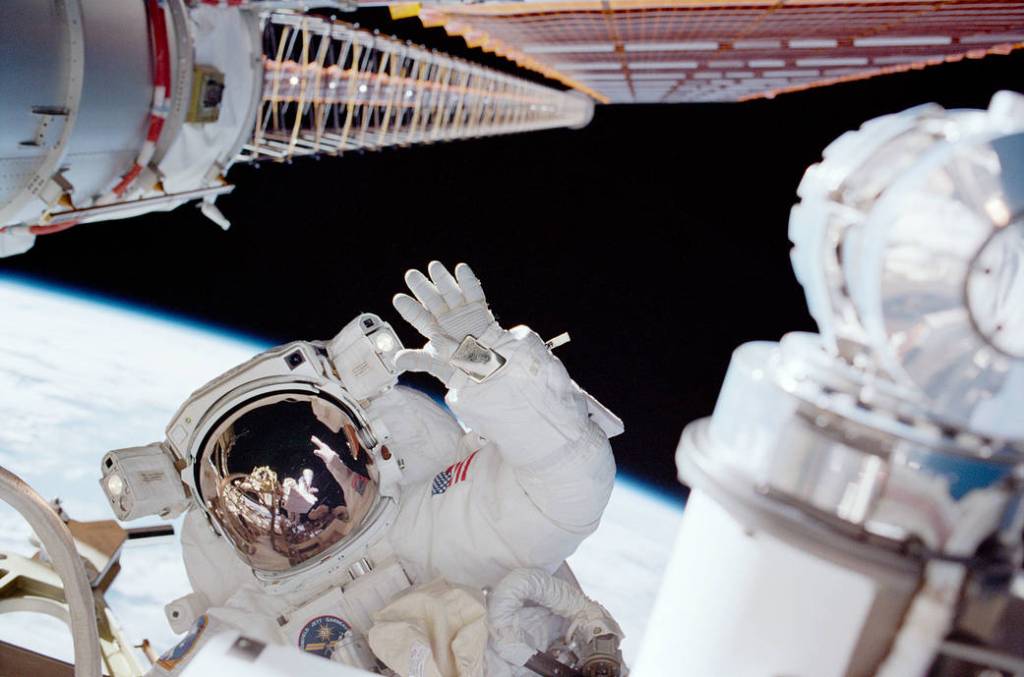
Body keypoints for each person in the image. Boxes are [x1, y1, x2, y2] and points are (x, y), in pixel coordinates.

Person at [148, 262, 622, 675]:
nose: (302, 517)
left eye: (311, 475)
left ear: (372, 448)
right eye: (250, 505)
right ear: (223, 525)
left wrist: (496, 370)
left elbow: (570, 484)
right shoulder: (255, 620)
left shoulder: (446, 525)